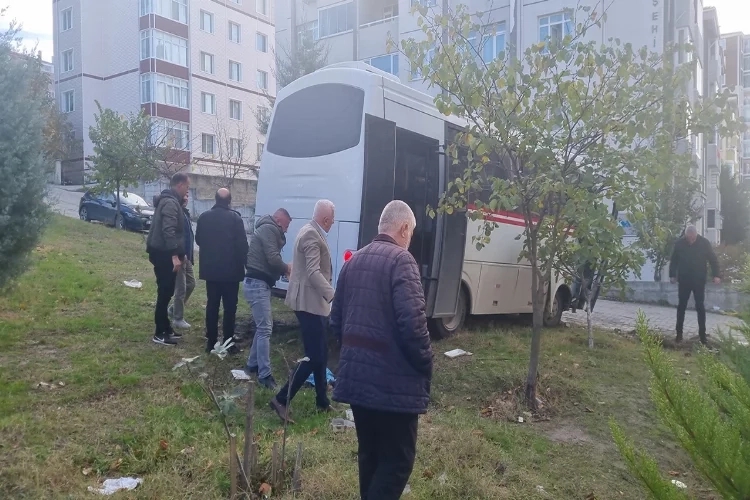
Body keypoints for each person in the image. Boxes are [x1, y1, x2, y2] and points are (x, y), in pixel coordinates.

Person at [330, 200, 433, 500]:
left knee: (371, 456)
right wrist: (426, 363)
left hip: (357, 381)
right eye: (411, 233)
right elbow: (414, 326)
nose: (410, 239)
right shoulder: (402, 261)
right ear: (403, 228)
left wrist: (354, 356)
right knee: (398, 462)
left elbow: (336, 321)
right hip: (393, 387)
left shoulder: (354, 261)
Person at [270, 200, 336, 422]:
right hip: (308, 304)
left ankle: (322, 401)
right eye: (332, 220)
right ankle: (281, 399)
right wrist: (332, 294)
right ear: (326, 219)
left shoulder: (310, 230)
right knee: (314, 356)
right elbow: (313, 272)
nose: (333, 223)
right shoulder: (311, 235)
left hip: (312, 303)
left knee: (321, 352)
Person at [195, 188, 249, 353]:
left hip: (211, 271)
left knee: (212, 306)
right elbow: (242, 246)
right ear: (229, 201)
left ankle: (211, 342)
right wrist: (246, 266)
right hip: (231, 274)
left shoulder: (204, 217)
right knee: (229, 309)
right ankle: (228, 342)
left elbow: (198, 240)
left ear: (215, 199)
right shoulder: (235, 219)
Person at [244, 208, 292, 389]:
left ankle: (251, 365)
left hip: (258, 284)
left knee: (262, 327)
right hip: (257, 284)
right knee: (265, 329)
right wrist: (287, 269)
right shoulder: (269, 230)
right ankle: (265, 375)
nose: (286, 230)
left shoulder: (268, 229)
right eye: (286, 226)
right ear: (279, 220)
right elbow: (273, 258)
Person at [146, 173, 189, 346]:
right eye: (187, 186)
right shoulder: (170, 203)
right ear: (179, 185)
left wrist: (181, 253)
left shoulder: (171, 201)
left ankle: (166, 328)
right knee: (164, 293)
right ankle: (159, 333)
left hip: (165, 252)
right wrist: (174, 255)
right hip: (163, 254)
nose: (188, 190)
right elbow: (168, 230)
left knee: (168, 290)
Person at [669, 224, 721, 345]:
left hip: (699, 280)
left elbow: (713, 259)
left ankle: (702, 336)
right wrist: (672, 275)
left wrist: (716, 275)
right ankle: (679, 335)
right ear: (686, 235)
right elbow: (674, 260)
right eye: (689, 238)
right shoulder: (679, 244)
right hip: (684, 280)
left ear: (696, 235)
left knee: (700, 307)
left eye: (693, 238)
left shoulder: (704, 243)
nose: (691, 241)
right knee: (681, 306)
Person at [169, 192, 195, 330]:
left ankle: (173, 309)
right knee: (181, 288)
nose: (186, 198)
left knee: (191, 283)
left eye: (187, 196)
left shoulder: (185, 213)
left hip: (187, 256)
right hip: (179, 256)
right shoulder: (176, 213)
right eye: (184, 195)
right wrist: (178, 254)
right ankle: (177, 318)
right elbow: (175, 235)